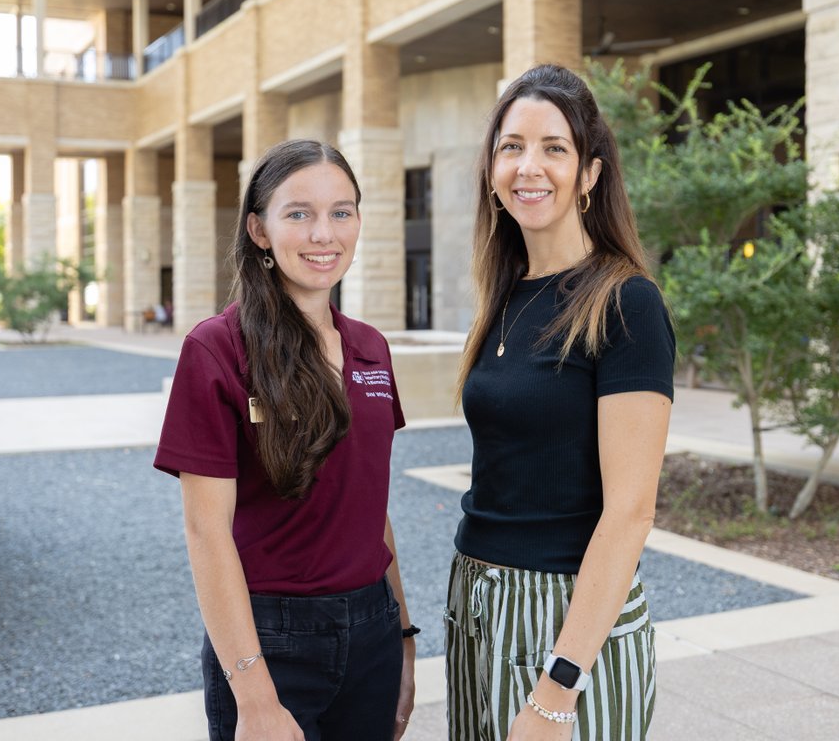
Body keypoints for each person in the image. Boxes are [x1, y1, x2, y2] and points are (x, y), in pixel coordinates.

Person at [153, 139, 416, 741]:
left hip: (372, 629)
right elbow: (205, 530)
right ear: (260, 230)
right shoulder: (216, 349)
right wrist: (255, 694)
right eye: (299, 213)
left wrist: (402, 640)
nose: (324, 233)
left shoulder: (371, 348)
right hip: (269, 639)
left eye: (341, 212)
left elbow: (371, 507)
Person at [446, 64, 675, 740]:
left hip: (567, 618)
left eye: (555, 147)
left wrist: (558, 687)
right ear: (491, 169)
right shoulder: (503, 297)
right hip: (478, 603)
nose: (529, 166)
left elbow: (630, 513)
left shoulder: (625, 302)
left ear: (590, 174)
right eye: (512, 146)